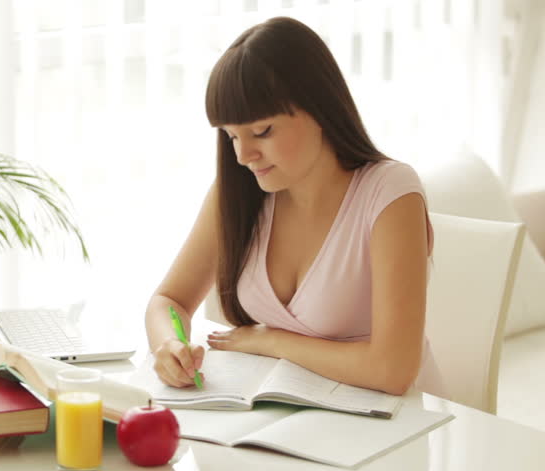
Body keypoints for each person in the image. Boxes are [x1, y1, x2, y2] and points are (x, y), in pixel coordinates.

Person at [144, 16, 437, 396]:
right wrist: (168, 345)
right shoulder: (237, 193)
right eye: (231, 135)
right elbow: (168, 300)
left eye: (262, 131)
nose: (243, 155)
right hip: (286, 412)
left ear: (319, 109)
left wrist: (271, 341)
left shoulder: (390, 192)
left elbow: (392, 371)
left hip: (388, 423)